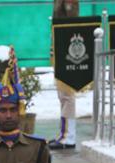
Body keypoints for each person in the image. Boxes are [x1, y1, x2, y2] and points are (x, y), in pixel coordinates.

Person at [49, 0, 78, 150]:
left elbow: (70, 21)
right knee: (63, 95)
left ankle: (69, 136)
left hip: (66, 47)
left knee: (66, 94)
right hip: (61, 45)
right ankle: (65, 134)